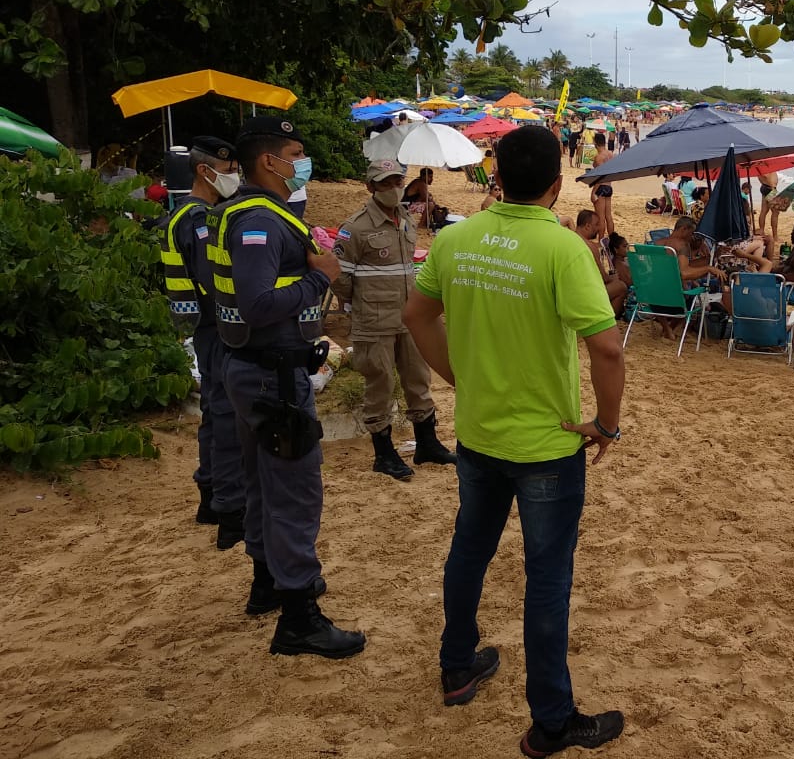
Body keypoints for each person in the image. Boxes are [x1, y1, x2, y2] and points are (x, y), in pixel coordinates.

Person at [402, 125, 626, 756]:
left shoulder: (456, 238)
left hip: (478, 436)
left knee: (469, 552)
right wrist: (607, 425)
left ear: (495, 175)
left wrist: (460, 378)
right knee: (546, 579)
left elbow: (416, 317)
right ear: (557, 187)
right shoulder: (561, 249)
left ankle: (457, 664)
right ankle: (552, 721)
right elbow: (607, 347)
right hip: (547, 447)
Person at [211, 114, 364, 658]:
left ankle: (267, 584)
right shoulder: (257, 221)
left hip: (252, 370)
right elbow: (254, 304)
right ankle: (300, 616)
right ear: (270, 161)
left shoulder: (238, 213)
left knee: (260, 482)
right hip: (271, 375)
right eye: (296, 152)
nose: (303, 162)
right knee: (295, 493)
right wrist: (320, 277)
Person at [332, 159, 455, 483]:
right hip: (374, 320)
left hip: (408, 316)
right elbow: (339, 277)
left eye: (397, 181)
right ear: (371, 187)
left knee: (418, 379)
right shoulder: (355, 227)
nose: (393, 188)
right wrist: (357, 305)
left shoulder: (405, 219)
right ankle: (383, 453)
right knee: (380, 384)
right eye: (385, 183)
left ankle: (426, 442)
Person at [159, 135, 244, 546]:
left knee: (215, 415)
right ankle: (229, 513)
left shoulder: (184, 215)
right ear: (203, 171)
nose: (234, 177)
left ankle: (210, 496)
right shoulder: (199, 221)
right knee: (227, 420)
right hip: (218, 330)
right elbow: (217, 284)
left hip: (205, 331)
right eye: (228, 171)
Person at [589, 133, 615, 240]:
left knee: (600, 218)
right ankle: (612, 239)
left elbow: (600, 176)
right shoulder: (610, 154)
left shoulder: (599, 157)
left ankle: (601, 241)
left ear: (595, 143)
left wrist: (593, 192)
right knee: (608, 216)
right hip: (609, 187)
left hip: (601, 187)